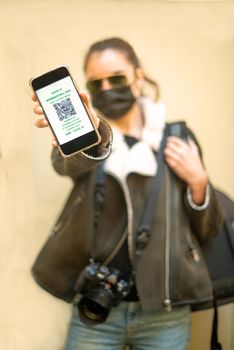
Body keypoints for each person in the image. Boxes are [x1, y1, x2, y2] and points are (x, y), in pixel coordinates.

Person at [32, 37, 223, 350]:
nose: (107, 88)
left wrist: (199, 182)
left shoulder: (176, 138)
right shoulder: (90, 139)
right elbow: (63, 163)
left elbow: (208, 229)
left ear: (138, 76)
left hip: (166, 312)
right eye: (96, 83)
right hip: (95, 307)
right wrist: (91, 132)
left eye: (117, 78)